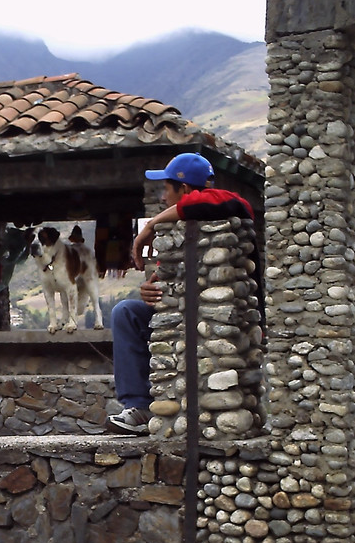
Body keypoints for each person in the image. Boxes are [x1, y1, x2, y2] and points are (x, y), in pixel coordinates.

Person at [105, 153, 253, 434]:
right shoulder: (178, 231)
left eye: (166, 189)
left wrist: (149, 226)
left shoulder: (226, 205)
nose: (162, 198)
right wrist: (152, 288)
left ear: (184, 189)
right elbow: (165, 280)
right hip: (175, 322)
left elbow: (218, 199)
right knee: (125, 312)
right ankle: (138, 408)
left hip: (214, 325)